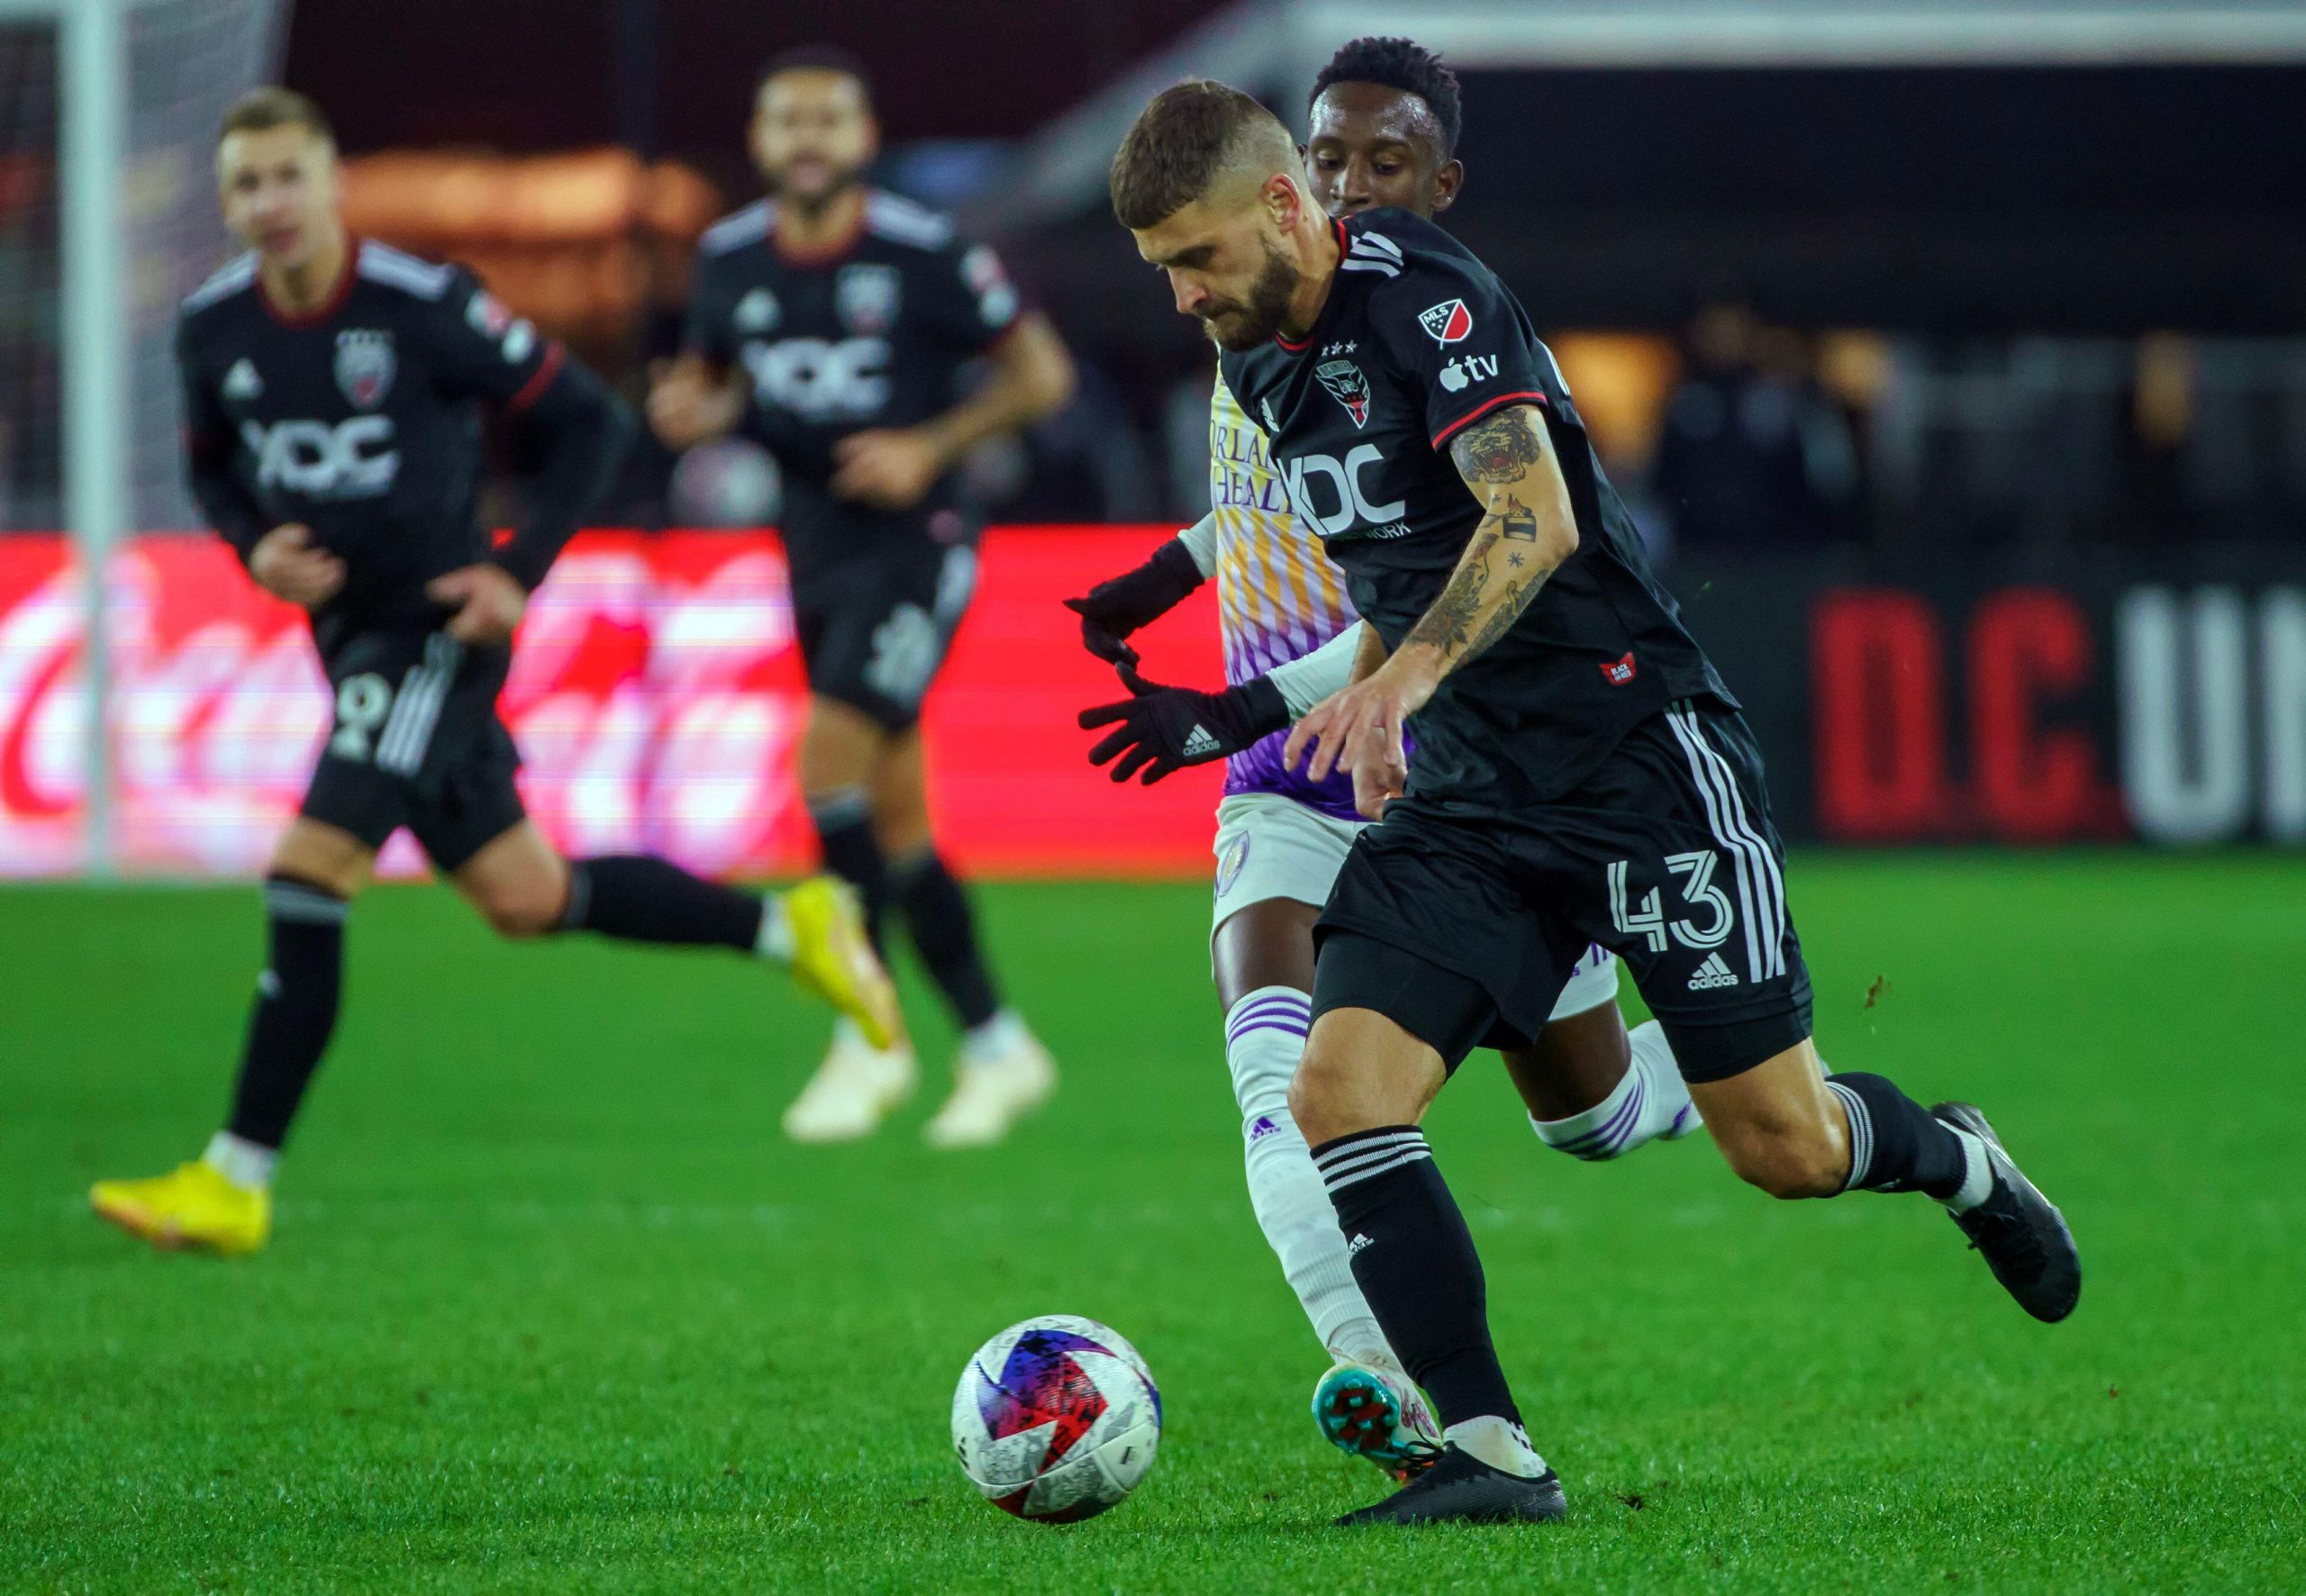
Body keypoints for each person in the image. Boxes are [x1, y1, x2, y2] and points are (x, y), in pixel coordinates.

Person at [1108, 79, 2080, 1527]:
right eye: (1163, 273)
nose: (1185, 296)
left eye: (1196, 258)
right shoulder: (1265, 365)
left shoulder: (1430, 294)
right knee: (1339, 1090)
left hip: (1637, 763)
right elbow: (1394, 568)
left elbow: (1534, 517)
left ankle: (1956, 1158)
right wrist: (1333, 696)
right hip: (1474, 803)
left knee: (1785, 1147)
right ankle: (1488, 1453)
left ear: (1278, 205)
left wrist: (1396, 690)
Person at [88, 88, 898, 1259]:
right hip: (346, 637)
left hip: (436, 630)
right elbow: (214, 471)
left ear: (331, 186)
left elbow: (588, 424)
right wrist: (249, 545)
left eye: (286, 178)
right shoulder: (215, 328)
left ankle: (234, 1178)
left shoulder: (420, 305)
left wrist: (516, 571)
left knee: (309, 870)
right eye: (245, 186)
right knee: (527, 898)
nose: (268, 204)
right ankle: (792, 930)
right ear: (227, 205)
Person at [1070, 39, 1698, 1482]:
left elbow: (1427, 579)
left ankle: (1720, 1075)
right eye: (1330, 160)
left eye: (1384, 167)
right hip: (1293, 787)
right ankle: (1392, 1380)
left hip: (1457, 764)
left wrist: (1230, 708)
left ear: (1442, 184)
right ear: (1291, 177)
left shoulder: (1446, 330)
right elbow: (1284, 490)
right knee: (1274, 1079)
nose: (1351, 188)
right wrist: (1170, 572)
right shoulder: (1252, 308)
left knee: (1592, 1119)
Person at [650, 47, 1076, 1147]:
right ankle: (995, 1042)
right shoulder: (727, 260)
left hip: (919, 542)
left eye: (827, 119)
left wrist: (929, 445)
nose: (806, 139)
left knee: (822, 763)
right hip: (812, 551)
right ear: (757, 141)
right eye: (785, 119)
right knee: (896, 826)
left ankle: (868, 1033)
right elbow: (710, 384)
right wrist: (696, 412)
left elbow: (1042, 376)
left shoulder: (926, 252)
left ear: (863, 137)